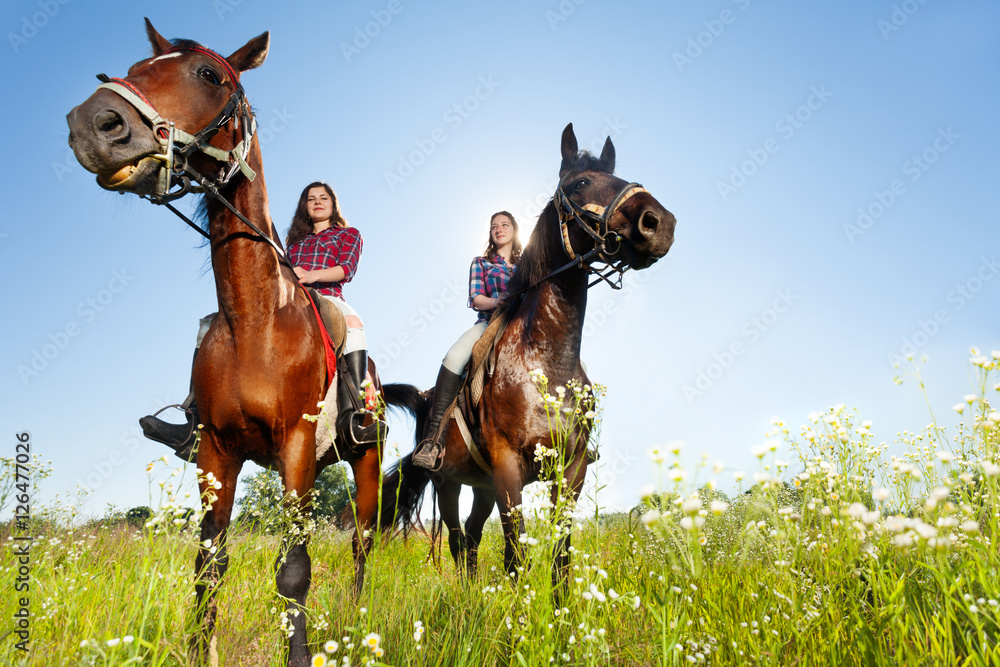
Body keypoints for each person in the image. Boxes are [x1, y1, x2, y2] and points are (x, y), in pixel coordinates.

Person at [140, 181, 386, 456]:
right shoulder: (292, 244)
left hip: (326, 296)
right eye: (311, 198)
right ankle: (195, 423)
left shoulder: (348, 234)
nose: (317, 202)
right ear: (304, 207)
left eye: (323, 197)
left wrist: (311, 275)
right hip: (290, 300)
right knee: (209, 324)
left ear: (333, 204)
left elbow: (346, 269)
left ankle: (353, 417)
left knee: (353, 324)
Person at [411, 211, 522, 470]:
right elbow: (476, 299)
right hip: (489, 323)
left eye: (505, 225)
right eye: (494, 226)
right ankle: (433, 439)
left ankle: (577, 437)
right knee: (454, 357)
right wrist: (497, 301)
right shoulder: (481, 263)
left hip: (522, 328)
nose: (499, 229)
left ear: (514, 231)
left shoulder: (526, 264)